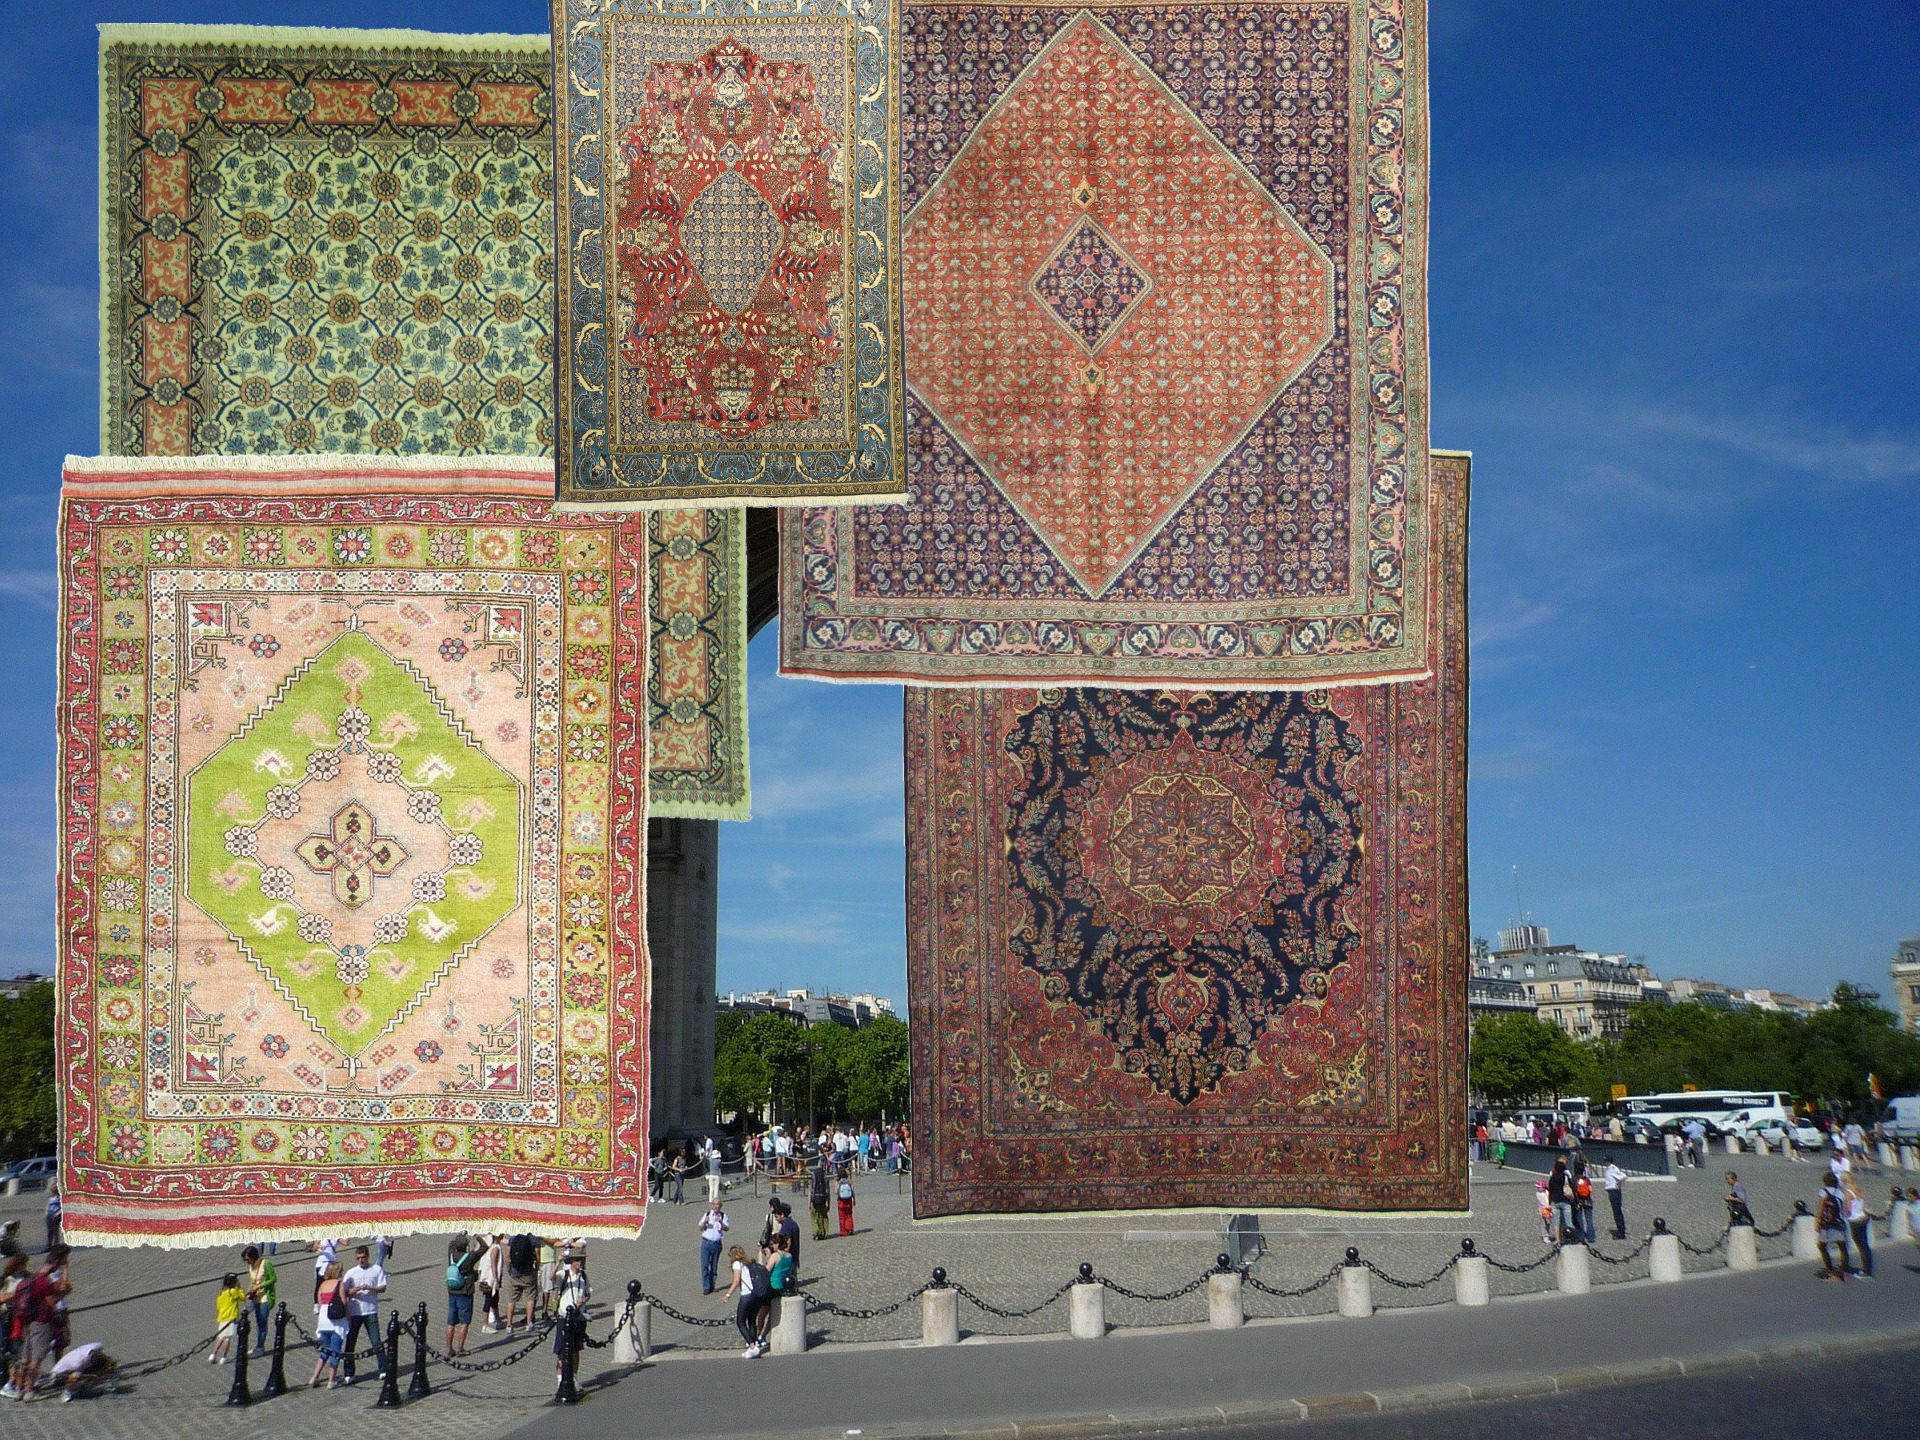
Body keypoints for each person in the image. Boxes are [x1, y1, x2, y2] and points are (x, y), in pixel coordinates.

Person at [6, 1246, 69, 1400]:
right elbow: (50, 1303)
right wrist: (61, 1295)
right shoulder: (44, 1281)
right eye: (64, 1259)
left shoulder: (31, 1278)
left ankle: (18, 1389)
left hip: (27, 1321)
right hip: (41, 1322)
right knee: (36, 1360)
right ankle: (30, 1391)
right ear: (57, 1261)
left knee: (24, 1359)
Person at [338, 1244, 388, 1383]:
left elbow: (382, 1288)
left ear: (368, 1256)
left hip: (370, 1310)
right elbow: (343, 1292)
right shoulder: (351, 1273)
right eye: (358, 1258)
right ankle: (349, 1372)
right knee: (350, 1343)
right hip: (355, 1312)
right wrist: (352, 1291)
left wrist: (371, 1288)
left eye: (363, 1258)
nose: (361, 1260)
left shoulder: (377, 1270)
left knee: (376, 1341)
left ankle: (383, 1369)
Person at [721, 1244, 771, 1359]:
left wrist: (727, 1295)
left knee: (741, 1321)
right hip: (755, 1294)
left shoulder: (736, 1264)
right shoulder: (749, 1263)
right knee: (752, 1320)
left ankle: (752, 1346)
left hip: (746, 1295)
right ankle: (754, 1344)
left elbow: (736, 1280)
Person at [551, 1251, 590, 1388]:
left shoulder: (583, 1276)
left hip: (578, 1316)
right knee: (561, 1350)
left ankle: (574, 1377)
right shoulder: (564, 1274)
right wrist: (558, 1262)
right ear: (572, 1261)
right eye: (578, 1260)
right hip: (564, 1317)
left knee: (576, 1349)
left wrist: (583, 1300)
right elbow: (551, 1277)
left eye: (582, 1260)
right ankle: (560, 1379)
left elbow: (588, 1294)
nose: (580, 1263)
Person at [310, 1261, 345, 1388]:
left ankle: (315, 1376)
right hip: (336, 1320)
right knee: (336, 1350)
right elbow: (343, 1302)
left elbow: (319, 1302)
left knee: (325, 1349)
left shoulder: (322, 1285)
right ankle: (331, 1379)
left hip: (323, 1318)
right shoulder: (340, 1284)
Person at [445, 1237, 482, 1356]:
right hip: (465, 1293)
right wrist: (477, 1236)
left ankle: (449, 1348)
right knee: (464, 1322)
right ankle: (460, 1348)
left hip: (452, 1292)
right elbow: (484, 1247)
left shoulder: (451, 1256)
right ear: (466, 1246)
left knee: (451, 1322)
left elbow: (450, 1244)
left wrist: (460, 1234)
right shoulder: (469, 1257)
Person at [48, 1341, 116, 1402]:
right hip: (59, 1374)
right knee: (76, 1377)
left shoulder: (97, 1346)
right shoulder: (77, 1363)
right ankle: (68, 1392)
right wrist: (92, 1376)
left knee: (109, 1364)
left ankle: (107, 1381)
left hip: (78, 1364)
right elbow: (76, 1375)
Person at [241, 1245, 277, 1356]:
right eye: (244, 1260)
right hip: (256, 1297)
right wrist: (251, 1289)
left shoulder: (266, 1264)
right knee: (258, 1322)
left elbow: (273, 1278)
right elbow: (254, 1280)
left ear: (253, 1257)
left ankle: (260, 1347)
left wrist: (260, 1285)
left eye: (247, 1259)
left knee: (262, 1322)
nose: (246, 1262)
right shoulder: (251, 1266)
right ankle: (258, 1345)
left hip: (265, 1298)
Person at [505, 1232, 540, 1334]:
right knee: (530, 1298)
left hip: (514, 1272)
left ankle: (509, 1325)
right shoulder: (534, 1238)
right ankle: (529, 1323)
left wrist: (509, 1269)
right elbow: (537, 1257)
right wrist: (536, 1269)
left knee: (511, 1300)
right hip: (528, 1273)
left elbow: (507, 1256)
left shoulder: (513, 1238)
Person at [208, 1273, 246, 1364]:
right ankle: (224, 1357)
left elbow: (218, 1307)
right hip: (231, 1318)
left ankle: (213, 1354)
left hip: (222, 1318)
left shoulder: (221, 1294)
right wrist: (240, 1288)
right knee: (227, 1338)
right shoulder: (232, 1292)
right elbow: (243, 1298)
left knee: (220, 1336)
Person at [1815, 1178, 1850, 1280]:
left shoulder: (1823, 1191)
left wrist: (1818, 1221)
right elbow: (1845, 1209)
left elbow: (1821, 1207)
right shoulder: (1841, 1192)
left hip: (1827, 1223)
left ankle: (1830, 1269)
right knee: (1842, 1247)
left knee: (1821, 1246)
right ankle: (1844, 1270)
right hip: (1839, 1222)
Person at [1843, 1177, 1874, 1279]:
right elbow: (1862, 1205)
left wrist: (1846, 1215)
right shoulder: (1858, 1190)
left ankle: (1866, 1271)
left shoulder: (1848, 1193)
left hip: (1855, 1220)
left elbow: (1848, 1209)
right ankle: (1868, 1268)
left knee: (1861, 1246)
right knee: (1865, 1245)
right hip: (1862, 1218)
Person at [698, 1199, 730, 1295]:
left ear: (721, 1206)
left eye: (718, 1205)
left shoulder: (723, 1216)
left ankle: (712, 1286)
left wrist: (721, 1222)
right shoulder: (707, 1214)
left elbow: (727, 1228)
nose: (716, 1207)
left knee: (714, 1266)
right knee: (704, 1265)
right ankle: (706, 1287)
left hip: (716, 1244)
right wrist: (705, 1222)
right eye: (715, 1205)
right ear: (712, 1206)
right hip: (706, 1243)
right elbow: (700, 1227)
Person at [1546, 1156, 1572, 1243]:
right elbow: (1572, 1188)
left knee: (1556, 1222)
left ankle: (1557, 1239)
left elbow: (1550, 1190)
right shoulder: (1566, 1177)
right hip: (1565, 1200)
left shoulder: (1552, 1178)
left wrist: (1549, 1202)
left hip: (1555, 1201)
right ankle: (1569, 1237)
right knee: (1568, 1222)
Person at [1571, 1157, 1596, 1244]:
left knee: (1579, 1220)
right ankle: (1591, 1237)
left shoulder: (1573, 1179)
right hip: (1588, 1201)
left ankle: (1581, 1236)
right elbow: (1590, 1189)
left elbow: (1573, 1192)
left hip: (1579, 1202)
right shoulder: (1586, 1179)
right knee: (1589, 1220)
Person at [1602, 1159, 1628, 1240]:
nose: (1604, 1162)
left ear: (1609, 1161)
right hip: (1611, 1191)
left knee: (1617, 1211)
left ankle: (1621, 1231)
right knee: (1615, 1211)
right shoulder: (1608, 1169)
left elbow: (1623, 1176)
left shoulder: (1613, 1168)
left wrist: (1618, 1184)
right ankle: (1620, 1229)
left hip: (1614, 1191)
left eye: (1606, 1161)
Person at [810, 1159, 832, 1242]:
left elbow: (811, 1190)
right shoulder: (825, 1178)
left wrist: (810, 1202)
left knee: (815, 1216)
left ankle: (816, 1231)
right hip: (823, 1199)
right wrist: (828, 1203)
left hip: (815, 1199)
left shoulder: (814, 1176)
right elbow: (827, 1192)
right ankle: (824, 1233)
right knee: (824, 1216)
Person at [836, 1168, 856, 1237]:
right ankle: (850, 1228)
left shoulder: (838, 1182)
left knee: (842, 1216)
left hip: (841, 1200)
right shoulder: (849, 1181)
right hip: (848, 1200)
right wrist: (854, 1199)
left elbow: (836, 1192)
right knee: (849, 1214)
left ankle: (843, 1231)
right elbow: (852, 1191)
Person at [42, 1188, 60, 1252]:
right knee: (49, 1231)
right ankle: (49, 1245)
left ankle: (56, 1246)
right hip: (49, 1215)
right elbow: (48, 1205)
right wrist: (46, 1212)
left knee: (55, 1231)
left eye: (53, 1191)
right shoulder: (50, 1198)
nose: (52, 1192)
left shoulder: (60, 1198)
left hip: (56, 1216)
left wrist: (57, 1213)